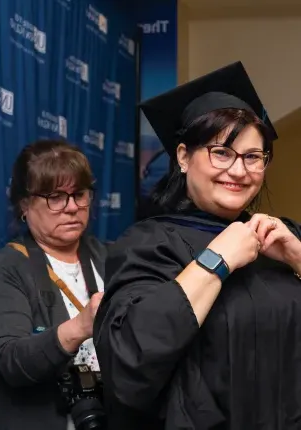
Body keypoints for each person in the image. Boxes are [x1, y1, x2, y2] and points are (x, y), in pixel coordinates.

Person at [94, 61, 301, 430]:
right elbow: (128, 360)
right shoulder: (148, 245)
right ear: (184, 157)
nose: (239, 171)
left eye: (253, 157)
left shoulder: (280, 240)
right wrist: (217, 259)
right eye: (221, 152)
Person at [0, 139, 106, 430]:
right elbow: (11, 362)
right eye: (55, 197)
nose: (71, 208)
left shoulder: (110, 256)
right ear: (24, 205)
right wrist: (81, 325)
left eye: (79, 194)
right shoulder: (7, 267)